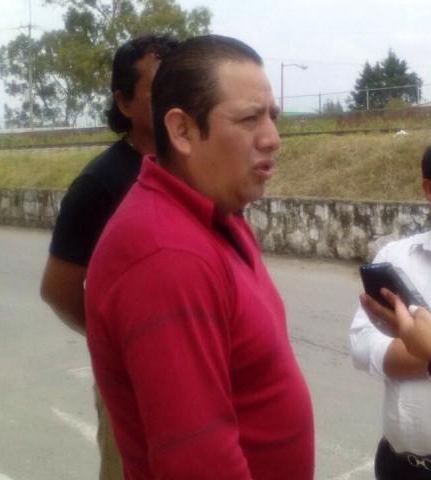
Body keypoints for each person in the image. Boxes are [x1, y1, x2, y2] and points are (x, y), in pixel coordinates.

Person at [85, 34, 314, 480]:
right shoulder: (165, 255)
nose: (273, 138)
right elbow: (198, 464)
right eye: (249, 118)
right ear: (182, 131)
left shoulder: (219, 215)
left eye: (273, 116)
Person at [40, 35, 178, 480]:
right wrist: (120, 340)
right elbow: (58, 289)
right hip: (132, 381)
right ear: (124, 102)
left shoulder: (197, 168)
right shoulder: (99, 184)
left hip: (201, 367)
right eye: (158, 89)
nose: (175, 99)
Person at [350, 144, 431, 479]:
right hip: (398, 464)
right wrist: (423, 347)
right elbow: (361, 345)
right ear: (428, 188)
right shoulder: (398, 257)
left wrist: (420, 344)